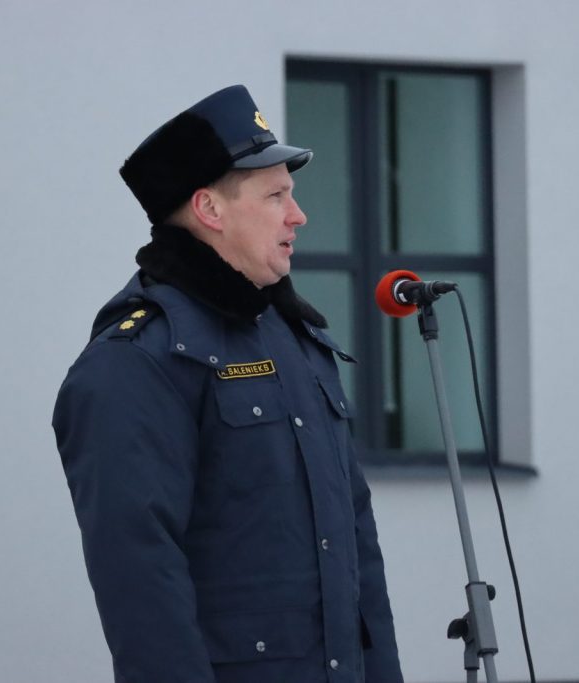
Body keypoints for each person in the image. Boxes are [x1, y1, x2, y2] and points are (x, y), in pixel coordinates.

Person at [53, 84, 403, 683]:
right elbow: (140, 581)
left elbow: (357, 547)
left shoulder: (295, 337)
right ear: (210, 210)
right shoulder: (139, 358)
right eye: (276, 196)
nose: (298, 215)